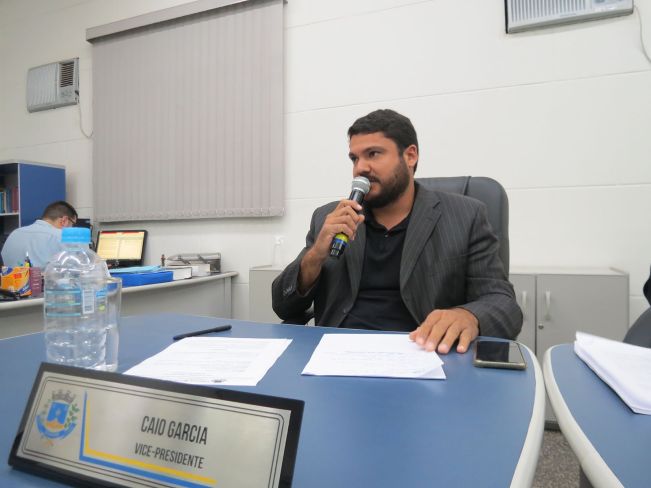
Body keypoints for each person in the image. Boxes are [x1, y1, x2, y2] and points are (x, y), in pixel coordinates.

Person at [272, 109, 522, 354]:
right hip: (338, 354)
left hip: (423, 353)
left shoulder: (466, 216)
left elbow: (503, 303)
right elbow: (283, 305)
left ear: (410, 156)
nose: (360, 168)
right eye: (354, 159)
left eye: (373, 154)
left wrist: (468, 316)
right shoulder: (330, 218)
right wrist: (316, 255)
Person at [1, 201, 78, 268]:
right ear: (64, 220)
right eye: (73, 224)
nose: (72, 228)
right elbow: (78, 269)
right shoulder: (61, 236)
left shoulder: (15, 233)